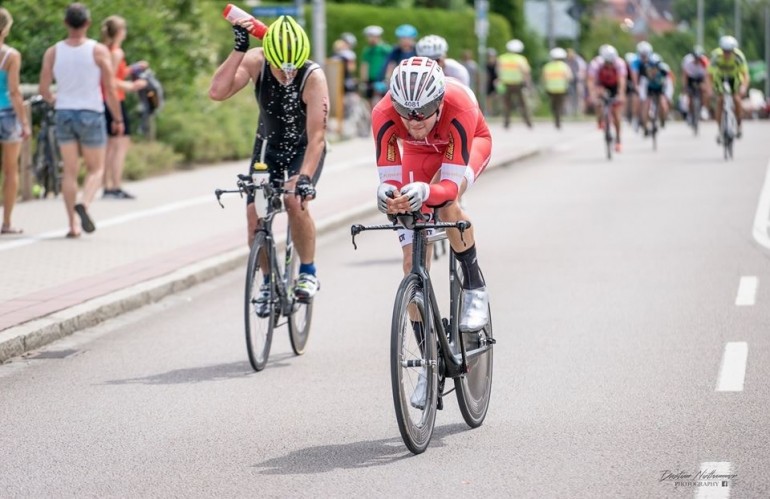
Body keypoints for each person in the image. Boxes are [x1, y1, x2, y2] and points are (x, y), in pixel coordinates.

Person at [371, 57, 491, 407]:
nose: (414, 120)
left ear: (438, 101)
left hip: (466, 144)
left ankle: (474, 285)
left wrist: (428, 192)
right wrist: (387, 194)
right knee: (411, 261)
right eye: (406, 113)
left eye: (423, 111)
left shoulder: (459, 106)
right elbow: (389, 176)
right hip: (418, 155)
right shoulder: (384, 114)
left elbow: (449, 187)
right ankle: (428, 364)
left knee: (444, 206)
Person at [209, 15, 327, 304]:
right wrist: (238, 49)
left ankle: (308, 271)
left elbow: (317, 138)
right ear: (267, 55)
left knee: (293, 201)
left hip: (303, 148)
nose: (288, 75)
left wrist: (305, 179)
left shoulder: (313, 77)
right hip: (267, 149)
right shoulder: (255, 60)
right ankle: (266, 281)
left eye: (293, 69)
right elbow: (217, 92)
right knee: (254, 216)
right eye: (281, 68)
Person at [39, 3, 124, 238]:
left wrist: (58, 101)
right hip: (91, 113)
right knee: (96, 169)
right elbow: (109, 87)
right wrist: (117, 118)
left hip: (65, 112)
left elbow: (44, 89)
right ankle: (84, 205)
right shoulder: (98, 51)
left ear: (66, 23)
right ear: (87, 23)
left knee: (69, 171)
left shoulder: (53, 52)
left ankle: (72, 226)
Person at [100, 15, 148, 200]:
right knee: (120, 145)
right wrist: (131, 86)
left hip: (103, 101)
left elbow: (115, 73)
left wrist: (133, 69)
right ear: (120, 32)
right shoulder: (117, 52)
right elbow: (110, 79)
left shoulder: (104, 49)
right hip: (114, 100)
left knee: (110, 145)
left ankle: (107, 185)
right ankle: (115, 185)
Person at [0, 8, 30, 235]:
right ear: (6, 29)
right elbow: (14, 91)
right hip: (7, 115)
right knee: (11, 171)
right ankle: (7, 223)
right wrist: (25, 122)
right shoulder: (11, 56)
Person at [587, 44, 626, 152]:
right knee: (599, 100)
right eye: (607, 63)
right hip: (601, 85)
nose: (609, 65)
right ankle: (600, 119)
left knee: (616, 114)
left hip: (614, 86)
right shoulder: (596, 64)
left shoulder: (619, 63)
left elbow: (622, 80)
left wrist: (621, 93)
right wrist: (592, 94)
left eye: (611, 63)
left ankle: (618, 140)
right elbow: (591, 81)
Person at [709, 35, 749, 141]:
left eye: (729, 51)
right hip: (720, 78)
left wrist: (744, 87)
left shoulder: (738, 57)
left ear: (733, 50)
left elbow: (745, 75)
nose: (727, 53)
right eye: (724, 51)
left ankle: (739, 124)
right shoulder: (716, 56)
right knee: (720, 100)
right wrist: (710, 88)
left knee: (736, 99)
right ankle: (719, 129)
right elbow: (709, 74)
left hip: (734, 79)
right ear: (721, 49)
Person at [497, 39, 532, 129]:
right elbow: (526, 72)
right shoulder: (520, 59)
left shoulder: (502, 58)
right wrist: (528, 84)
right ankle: (528, 122)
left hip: (505, 84)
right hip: (518, 84)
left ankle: (506, 123)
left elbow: (498, 71)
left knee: (506, 104)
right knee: (522, 104)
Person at [541, 47, 573, 129]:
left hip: (550, 89)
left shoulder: (547, 66)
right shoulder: (564, 66)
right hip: (561, 89)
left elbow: (544, 78)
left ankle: (556, 119)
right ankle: (558, 120)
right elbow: (569, 77)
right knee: (560, 105)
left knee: (554, 106)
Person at [359, 25, 391, 106]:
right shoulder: (367, 50)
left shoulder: (385, 48)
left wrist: (387, 78)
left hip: (382, 79)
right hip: (370, 79)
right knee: (369, 99)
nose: (369, 39)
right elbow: (364, 65)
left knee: (383, 100)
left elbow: (390, 63)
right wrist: (363, 81)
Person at [639, 53, 669, 135]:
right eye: (651, 67)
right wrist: (643, 99)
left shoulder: (664, 71)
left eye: (655, 68)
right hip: (649, 90)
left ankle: (662, 120)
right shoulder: (644, 72)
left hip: (660, 90)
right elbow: (642, 87)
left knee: (663, 104)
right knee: (645, 105)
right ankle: (645, 127)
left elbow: (668, 85)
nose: (653, 70)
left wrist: (667, 96)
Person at [681, 45, 711, 123]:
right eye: (695, 58)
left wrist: (707, 87)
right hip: (690, 78)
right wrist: (685, 86)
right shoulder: (687, 61)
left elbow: (707, 76)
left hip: (700, 78)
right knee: (690, 96)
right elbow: (685, 75)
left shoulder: (705, 62)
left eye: (699, 58)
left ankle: (704, 108)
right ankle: (690, 114)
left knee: (705, 91)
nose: (697, 60)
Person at [630, 41, 653, 129]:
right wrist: (636, 85)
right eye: (642, 55)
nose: (644, 57)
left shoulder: (653, 60)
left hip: (651, 82)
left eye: (645, 54)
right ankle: (636, 118)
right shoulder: (635, 61)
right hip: (641, 82)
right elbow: (634, 75)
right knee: (639, 99)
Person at [566, 48, 586, 116]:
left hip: (578, 80)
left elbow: (583, 70)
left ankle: (580, 112)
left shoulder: (579, 61)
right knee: (569, 97)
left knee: (580, 96)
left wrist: (580, 78)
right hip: (570, 81)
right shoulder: (567, 62)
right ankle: (570, 112)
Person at [485, 48, 499, 116]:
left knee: (497, 97)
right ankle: (490, 112)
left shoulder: (497, 64)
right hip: (489, 82)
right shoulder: (487, 64)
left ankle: (497, 111)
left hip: (497, 82)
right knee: (488, 98)